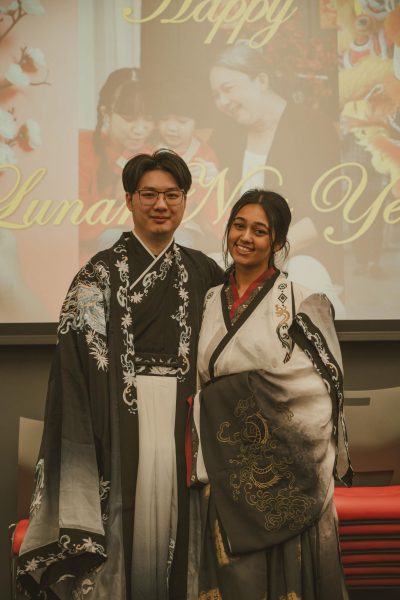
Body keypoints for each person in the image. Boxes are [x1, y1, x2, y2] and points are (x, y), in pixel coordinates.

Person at [16, 149, 224, 599]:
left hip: (185, 418)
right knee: (124, 528)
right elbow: (73, 365)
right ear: (129, 200)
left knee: (180, 525)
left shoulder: (204, 270)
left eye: (172, 194)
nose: (161, 204)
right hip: (119, 416)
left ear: (185, 201)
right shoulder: (97, 275)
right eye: (149, 194)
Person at [186, 189, 353, 599]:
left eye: (259, 231)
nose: (246, 237)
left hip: (280, 469)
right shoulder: (209, 299)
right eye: (238, 226)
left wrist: (227, 402)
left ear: (277, 242)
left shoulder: (301, 300)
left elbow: (319, 388)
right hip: (224, 465)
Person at [209, 41, 345, 311]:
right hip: (238, 257)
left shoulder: (313, 127)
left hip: (300, 254)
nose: (222, 102)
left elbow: (324, 217)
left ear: (260, 79)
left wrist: (262, 254)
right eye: (216, 94)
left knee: (306, 295)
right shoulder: (225, 136)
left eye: (228, 89)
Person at [79, 68, 155, 261]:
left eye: (148, 119)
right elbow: (77, 223)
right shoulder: (82, 147)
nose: (140, 130)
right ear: (106, 113)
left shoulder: (151, 155)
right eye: (129, 119)